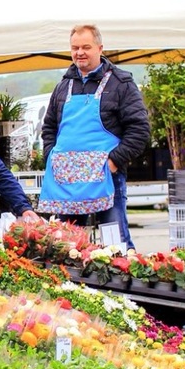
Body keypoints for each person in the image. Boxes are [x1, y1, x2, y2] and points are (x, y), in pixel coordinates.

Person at [39, 24, 150, 246]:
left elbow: (139, 130)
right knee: (68, 246)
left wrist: (113, 161)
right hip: (66, 184)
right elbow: (49, 127)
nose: (80, 52)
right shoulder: (63, 86)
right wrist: (52, 157)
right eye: (75, 47)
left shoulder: (121, 84)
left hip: (106, 179)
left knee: (114, 244)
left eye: (86, 47)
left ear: (100, 48)